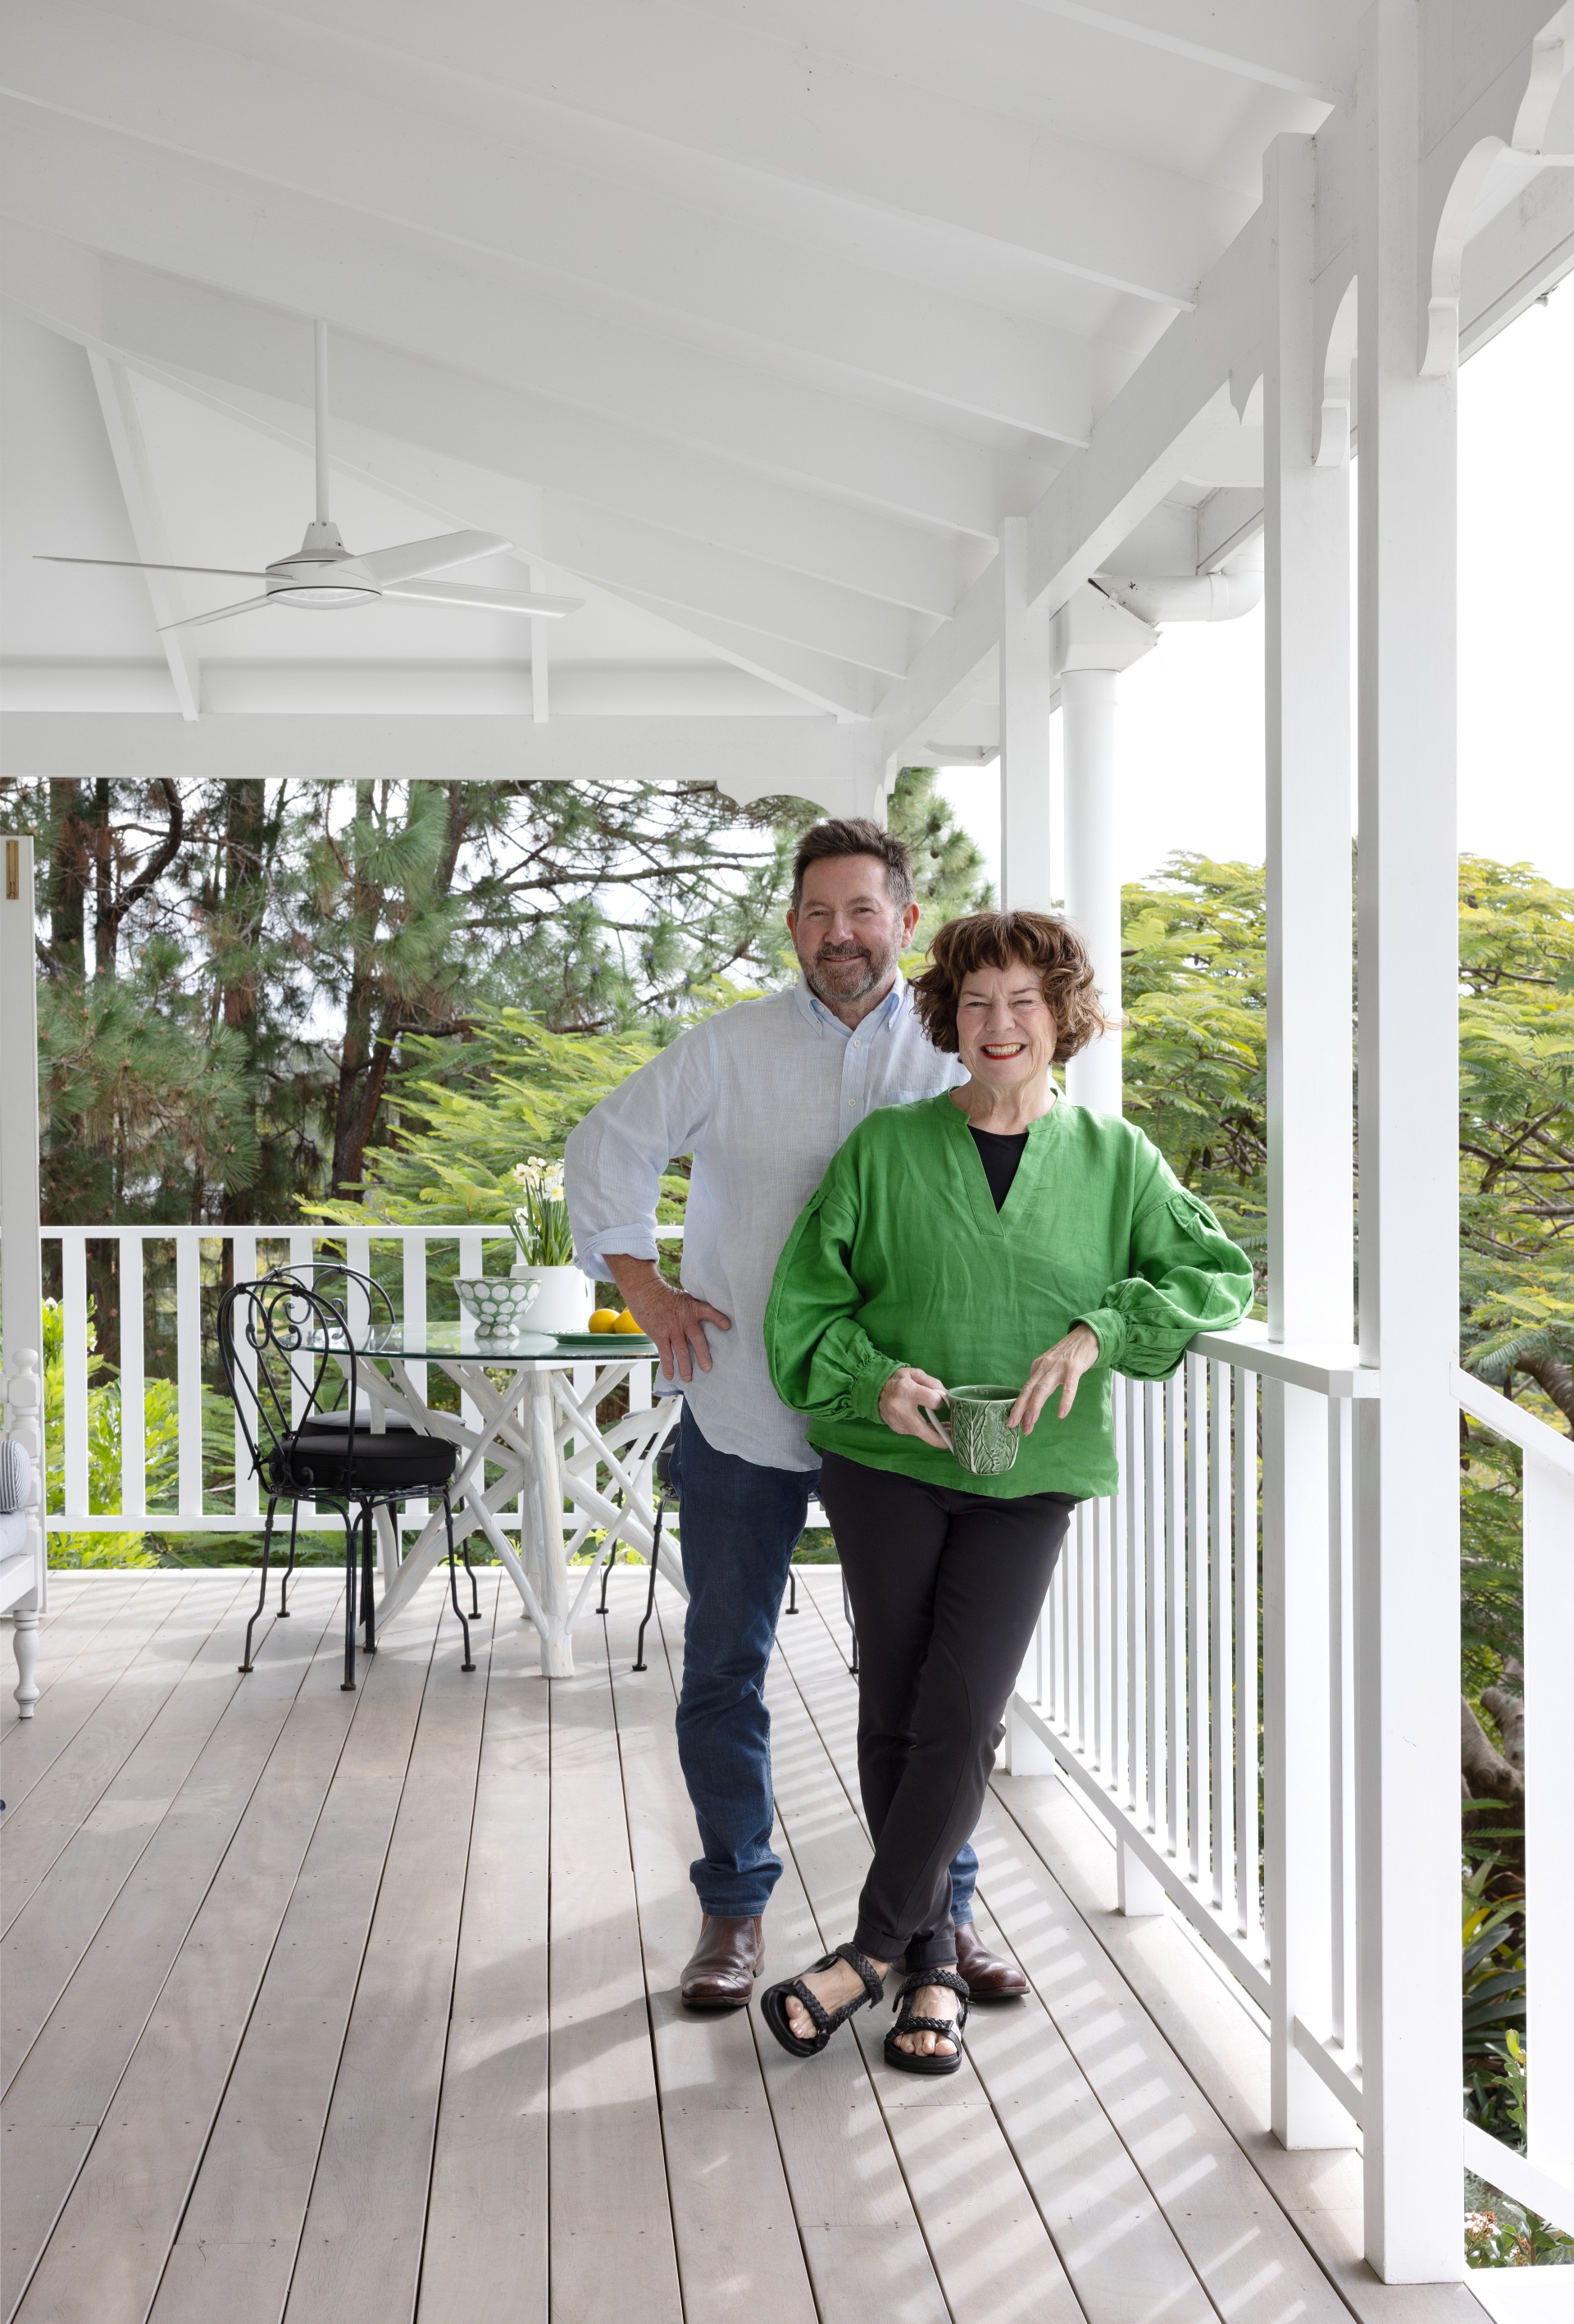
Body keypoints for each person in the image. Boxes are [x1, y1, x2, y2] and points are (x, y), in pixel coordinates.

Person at [759, 909, 1253, 2070]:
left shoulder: (1117, 1158)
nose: (1000, 1024)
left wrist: (1099, 1330)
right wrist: (873, 1380)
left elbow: (1215, 1274)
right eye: (977, 1001)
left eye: (1024, 1001)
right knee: (894, 1704)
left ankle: (867, 1952)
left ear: (1061, 1016)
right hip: (886, 1463)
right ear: (949, 1015)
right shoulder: (886, 1148)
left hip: (1030, 1476)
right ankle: (930, 1967)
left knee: (967, 1710)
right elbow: (804, 1304)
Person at [565, 822, 1030, 2010]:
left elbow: (1027, 1178)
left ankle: (940, 1912)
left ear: (905, 920)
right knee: (725, 1664)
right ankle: (733, 1907)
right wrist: (645, 1289)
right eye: (818, 913)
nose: (840, 935)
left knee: (929, 1680)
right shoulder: (729, 1049)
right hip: (743, 1409)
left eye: (863, 911)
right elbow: (606, 1144)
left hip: (901, 1420)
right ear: (791, 927)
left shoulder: (955, 1047)